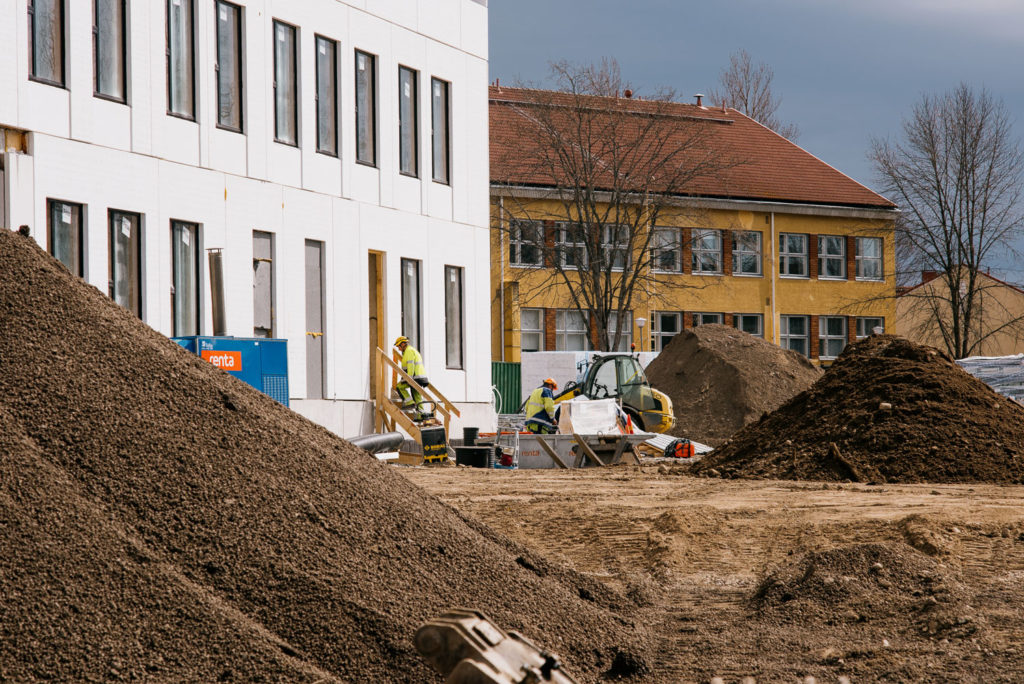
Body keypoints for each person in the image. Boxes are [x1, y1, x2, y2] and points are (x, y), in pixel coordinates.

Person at [394, 336, 426, 411]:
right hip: (419, 377)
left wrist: (409, 378)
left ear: (402, 344)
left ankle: (410, 403)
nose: (398, 349)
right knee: (416, 395)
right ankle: (421, 415)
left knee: (399, 387)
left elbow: (411, 365)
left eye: (398, 346)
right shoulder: (410, 351)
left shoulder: (409, 351)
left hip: (414, 377)